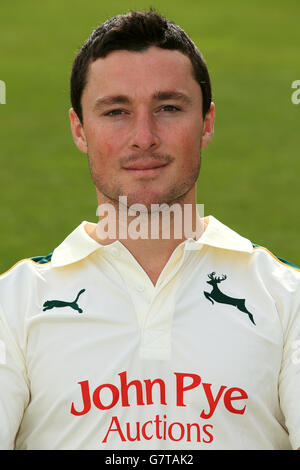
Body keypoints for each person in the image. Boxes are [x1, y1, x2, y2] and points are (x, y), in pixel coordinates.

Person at [0, 9, 299, 451]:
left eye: (168, 108)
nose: (144, 136)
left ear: (207, 123)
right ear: (79, 129)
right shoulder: (14, 303)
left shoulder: (286, 298)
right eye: (116, 111)